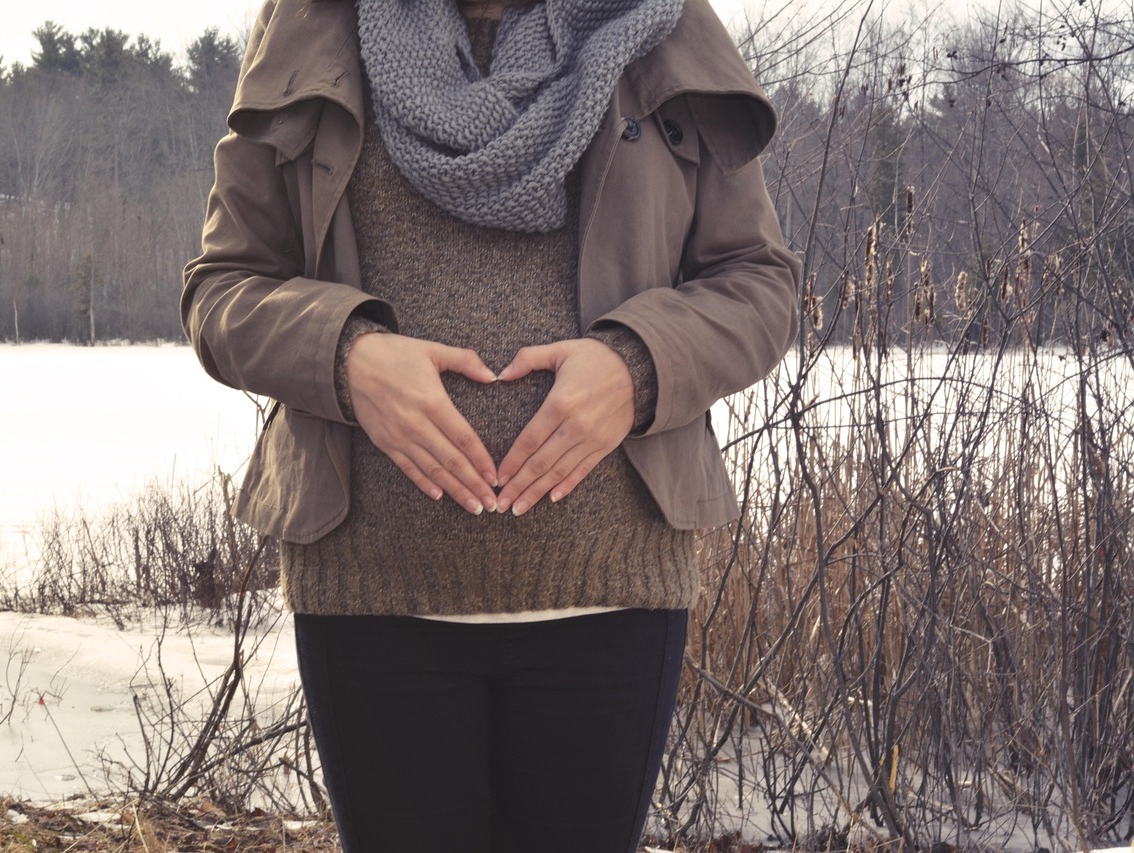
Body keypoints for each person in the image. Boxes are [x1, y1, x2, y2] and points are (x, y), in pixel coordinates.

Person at [181, 0, 799, 847]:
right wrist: (347, 357)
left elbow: (758, 283)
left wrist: (638, 366)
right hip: (372, 598)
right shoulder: (316, 20)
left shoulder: (662, 21)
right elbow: (223, 288)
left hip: (612, 598)